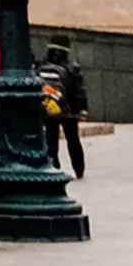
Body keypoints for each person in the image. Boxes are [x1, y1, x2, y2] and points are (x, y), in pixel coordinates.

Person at [49, 39, 90, 177]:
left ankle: (53, 166)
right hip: (69, 110)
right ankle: (79, 169)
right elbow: (80, 91)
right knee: (73, 139)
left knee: (50, 138)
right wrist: (82, 110)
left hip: (50, 108)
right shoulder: (72, 68)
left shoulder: (42, 65)